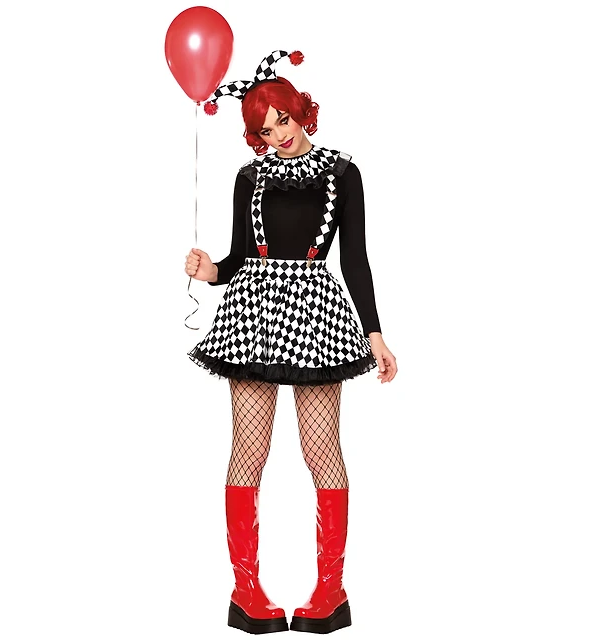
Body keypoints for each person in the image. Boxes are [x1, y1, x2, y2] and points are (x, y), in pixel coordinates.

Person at [184, 50, 398, 635]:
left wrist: (376, 333)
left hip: (317, 315)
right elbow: (237, 259)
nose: (276, 135)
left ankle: (331, 591)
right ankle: (246, 592)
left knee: (322, 450)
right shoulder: (247, 178)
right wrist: (209, 271)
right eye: (263, 129)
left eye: (282, 120)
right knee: (247, 451)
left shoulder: (343, 173)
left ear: (301, 110)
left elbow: (355, 260)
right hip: (251, 312)